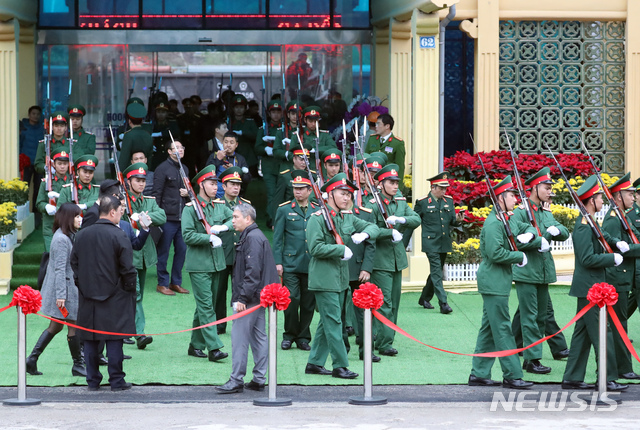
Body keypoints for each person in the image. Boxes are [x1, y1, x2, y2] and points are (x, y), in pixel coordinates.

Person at [304, 173, 379, 379]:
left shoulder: (347, 217)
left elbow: (373, 227)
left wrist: (364, 234)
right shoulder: (317, 219)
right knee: (334, 322)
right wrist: (340, 250)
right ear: (329, 194)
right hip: (324, 279)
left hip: (341, 279)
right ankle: (340, 365)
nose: (347, 198)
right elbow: (315, 247)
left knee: (327, 322)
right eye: (342, 193)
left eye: (349, 194)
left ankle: (314, 363)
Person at [468, 175, 539, 390]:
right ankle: (512, 375)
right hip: (493, 282)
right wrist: (519, 256)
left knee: (489, 328)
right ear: (500, 198)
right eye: (511, 196)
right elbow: (495, 253)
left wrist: (528, 234)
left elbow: (529, 226)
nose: (516, 200)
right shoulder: (493, 224)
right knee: (502, 328)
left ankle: (479, 373)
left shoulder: (506, 219)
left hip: (499, 281)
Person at [562, 175, 628, 392]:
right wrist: (612, 258)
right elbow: (587, 259)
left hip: (592, 286)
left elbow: (602, 235)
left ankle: (572, 377)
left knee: (582, 334)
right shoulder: (582, 226)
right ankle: (607, 378)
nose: (602, 201)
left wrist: (616, 242)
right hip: (590, 287)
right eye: (600, 198)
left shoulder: (590, 221)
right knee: (603, 332)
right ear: (592, 201)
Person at [71, 195, 138, 391]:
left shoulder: (82, 234)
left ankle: (93, 380)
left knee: (90, 338)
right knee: (114, 339)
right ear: (112, 212)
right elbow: (128, 268)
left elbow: (73, 263)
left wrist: (82, 284)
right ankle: (116, 380)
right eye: (120, 211)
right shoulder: (119, 235)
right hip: (115, 295)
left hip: (88, 294)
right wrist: (128, 289)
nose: (121, 214)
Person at [510, 167, 570, 375]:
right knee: (530, 316)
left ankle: (521, 348)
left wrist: (557, 231)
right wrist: (536, 242)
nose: (549, 191)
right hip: (527, 271)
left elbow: (562, 230)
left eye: (550, 187)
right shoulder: (520, 213)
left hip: (543, 271)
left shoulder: (544, 212)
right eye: (546, 187)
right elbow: (514, 241)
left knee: (541, 317)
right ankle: (532, 359)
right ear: (534, 188)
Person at [216, 204, 278, 393]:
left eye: (235, 217)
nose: (232, 220)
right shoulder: (255, 236)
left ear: (247, 219)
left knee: (240, 338)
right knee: (259, 337)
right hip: (259, 296)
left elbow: (252, 272)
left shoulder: (251, 238)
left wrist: (242, 298)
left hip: (250, 297)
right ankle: (259, 378)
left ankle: (236, 380)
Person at [26, 203, 86, 377]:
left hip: (65, 288)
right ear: (68, 218)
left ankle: (32, 359)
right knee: (73, 325)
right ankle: (77, 365)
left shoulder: (65, 235)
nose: (79, 219)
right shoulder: (61, 239)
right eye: (76, 216)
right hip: (64, 290)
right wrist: (61, 295)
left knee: (56, 326)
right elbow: (60, 268)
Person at [182, 165, 233, 362]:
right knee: (206, 307)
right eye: (212, 184)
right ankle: (214, 348)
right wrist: (208, 237)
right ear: (201, 185)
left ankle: (195, 345)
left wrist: (223, 227)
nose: (216, 188)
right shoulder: (190, 209)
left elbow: (232, 217)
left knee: (206, 305)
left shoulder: (219, 205)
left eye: (216, 184)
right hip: (199, 264)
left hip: (216, 263)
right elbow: (187, 235)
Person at [368, 164, 420, 356]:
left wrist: (401, 221)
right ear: (381, 184)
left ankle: (385, 340)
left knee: (395, 303)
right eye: (391, 182)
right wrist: (387, 232)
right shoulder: (373, 204)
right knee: (384, 303)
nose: (395, 185)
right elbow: (369, 229)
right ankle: (381, 342)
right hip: (380, 261)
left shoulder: (400, 202)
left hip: (397, 260)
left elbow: (416, 219)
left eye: (397, 182)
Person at [273, 170, 318, 351]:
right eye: (295, 188)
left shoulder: (317, 209)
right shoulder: (284, 209)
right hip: (290, 263)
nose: (297, 192)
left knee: (308, 302)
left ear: (309, 190)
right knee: (291, 299)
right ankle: (289, 334)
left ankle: (303, 337)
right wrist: (278, 262)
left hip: (312, 263)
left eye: (301, 189)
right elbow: (277, 238)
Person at [123, 162, 167, 349]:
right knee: (136, 292)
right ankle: (139, 333)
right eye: (137, 180)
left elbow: (162, 216)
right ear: (129, 181)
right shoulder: (122, 200)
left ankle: (125, 330)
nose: (141, 184)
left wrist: (142, 217)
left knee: (132, 294)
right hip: (126, 252)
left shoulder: (148, 200)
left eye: (143, 180)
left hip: (143, 253)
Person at [601, 173, 640, 381]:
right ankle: (623, 368)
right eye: (629, 194)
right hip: (617, 279)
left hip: (625, 277)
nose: (633, 198)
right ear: (617, 197)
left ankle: (622, 367)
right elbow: (615, 248)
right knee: (619, 324)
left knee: (620, 324)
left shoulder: (622, 216)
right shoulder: (613, 220)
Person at [415, 172, 463, 313]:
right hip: (430, 243)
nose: (444, 191)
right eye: (441, 188)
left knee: (436, 271)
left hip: (444, 242)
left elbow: (452, 221)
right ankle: (443, 303)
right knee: (437, 272)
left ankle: (424, 298)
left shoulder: (448, 200)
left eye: (445, 189)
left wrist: (459, 219)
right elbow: (414, 220)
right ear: (433, 187)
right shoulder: (422, 202)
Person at [215, 166, 252, 335]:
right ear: (224, 186)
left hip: (241, 254)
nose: (236, 187)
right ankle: (219, 324)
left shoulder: (245, 206)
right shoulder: (216, 205)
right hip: (222, 254)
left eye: (238, 184)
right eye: (232, 184)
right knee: (219, 292)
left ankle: (240, 322)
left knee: (240, 291)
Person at [152, 141, 190, 296]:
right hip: (167, 218)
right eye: (176, 148)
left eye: (181, 148)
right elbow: (156, 194)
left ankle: (176, 282)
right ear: (169, 151)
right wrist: (157, 216)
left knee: (181, 250)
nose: (179, 150)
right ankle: (162, 283)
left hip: (183, 218)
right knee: (164, 252)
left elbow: (189, 191)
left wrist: (188, 194)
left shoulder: (185, 168)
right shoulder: (162, 168)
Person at [255, 100, 285, 227]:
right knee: (272, 193)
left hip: (281, 164)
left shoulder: (285, 129)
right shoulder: (264, 129)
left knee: (282, 193)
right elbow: (257, 147)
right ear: (269, 113)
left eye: (278, 111)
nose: (276, 115)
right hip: (268, 165)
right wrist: (265, 150)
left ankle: (280, 217)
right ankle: (271, 218)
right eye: (273, 112)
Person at [36, 148, 71, 251]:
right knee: (51, 254)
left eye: (65, 163)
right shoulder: (46, 182)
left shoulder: (73, 182)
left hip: (68, 223)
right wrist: (46, 206)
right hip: (50, 224)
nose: (62, 166)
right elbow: (39, 203)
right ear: (54, 164)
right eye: (59, 163)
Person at [206, 131, 252, 198]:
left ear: (236, 145)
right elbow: (206, 173)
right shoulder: (214, 156)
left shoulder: (240, 159)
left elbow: (247, 178)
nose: (228, 145)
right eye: (226, 142)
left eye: (231, 142)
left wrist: (235, 170)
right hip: (215, 196)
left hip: (234, 195)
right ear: (222, 143)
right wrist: (218, 159)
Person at [364, 114, 406, 179]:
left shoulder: (397, 143)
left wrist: (398, 187)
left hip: (388, 179)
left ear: (387, 126)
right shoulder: (372, 139)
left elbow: (400, 167)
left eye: (378, 124)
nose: (376, 126)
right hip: (372, 179)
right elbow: (366, 158)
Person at [19, 105, 44, 213]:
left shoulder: (42, 130)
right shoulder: (23, 128)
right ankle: (22, 213)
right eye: (33, 114)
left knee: (38, 190)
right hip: (26, 163)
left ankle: (36, 216)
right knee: (24, 189)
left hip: (38, 164)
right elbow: (18, 145)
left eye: (38, 114)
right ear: (29, 115)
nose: (35, 116)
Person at [229, 95, 259, 176]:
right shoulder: (229, 122)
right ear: (232, 108)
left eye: (241, 107)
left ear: (245, 108)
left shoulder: (250, 121)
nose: (239, 110)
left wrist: (243, 133)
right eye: (236, 107)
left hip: (249, 156)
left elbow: (256, 135)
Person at [118, 103, 153, 170]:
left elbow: (123, 159)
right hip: (144, 171)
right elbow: (149, 159)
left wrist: (120, 174)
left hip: (131, 173)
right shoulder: (148, 135)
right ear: (142, 121)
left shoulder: (128, 135)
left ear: (129, 121)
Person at [149, 101, 180, 170]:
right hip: (155, 156)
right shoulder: (152, 125)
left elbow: (176, 132)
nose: (160, 114)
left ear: (167, 113)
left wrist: (160, 134)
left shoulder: (171, 124)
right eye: (158, 112)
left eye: (163, 112)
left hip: (168, 156)